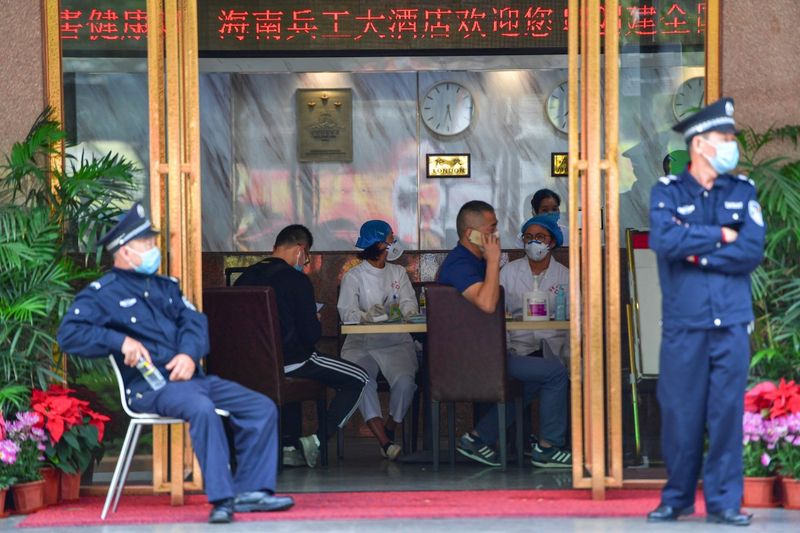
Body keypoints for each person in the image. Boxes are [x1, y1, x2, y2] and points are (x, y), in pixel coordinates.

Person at [56, 203, 294, 524]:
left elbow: (194, 323)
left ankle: (252, 492)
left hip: (193, 380)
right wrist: (119, 341)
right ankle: (222, 498)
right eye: (147, 244)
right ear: (125, 251)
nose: (154, 249)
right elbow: (69, 334)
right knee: (201, 408)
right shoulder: (103, 293)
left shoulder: (165, 287)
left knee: (260, 407)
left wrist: (188, 354)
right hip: (150, 387)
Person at [646, 98, 765, 526]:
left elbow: (751, 251)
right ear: (699, 144)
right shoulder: (667, 192)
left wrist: (696, 251)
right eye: (724, 137)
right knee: (680, 414)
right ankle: (677, 498)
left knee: (726, 414)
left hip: (731, 323)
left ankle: (724, 503)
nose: (732, 144)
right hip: (685, 325)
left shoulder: (742, 191)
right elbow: (664, 241)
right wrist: (721, 235)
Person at [438, 200, 571, 468]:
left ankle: (477, 439)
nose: (496, 235)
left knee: (532, 380)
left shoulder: (474, 262)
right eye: (491, 229)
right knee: (555, 372)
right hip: (471, 359)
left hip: (486, 352)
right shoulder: (460, 264)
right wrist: (493, 260)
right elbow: (487, 303)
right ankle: (549, 447)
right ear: (471, 234)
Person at [233, 224, 369, 468]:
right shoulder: (297, 280)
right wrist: (314, 320)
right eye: (306, 257)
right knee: (359, 378)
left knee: (293, 379)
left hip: (248, 367)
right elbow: (309, 336)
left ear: (275, 248)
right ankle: (316, 441)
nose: (305, 262)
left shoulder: (244, 278)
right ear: (300, 250)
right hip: (290, 361)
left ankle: (288, 446)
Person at [337, 220, 418, 460]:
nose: (395, 242)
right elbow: (346, 313)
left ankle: (390, 427)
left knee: (405, 382)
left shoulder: (398, 272)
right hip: (361, 343)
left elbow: (409, 304)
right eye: (391, 238)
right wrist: (365, 316)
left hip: (396, 341)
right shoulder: (354, 276)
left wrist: (404, 312)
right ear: (380, 244)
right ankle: (385, 442)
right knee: (362, 381)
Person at [501, 215, 569, 364]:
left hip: (555, 353)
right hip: (518, 351)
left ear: (552, 242)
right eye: (528, 237)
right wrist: (505, 354)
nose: (533, 242)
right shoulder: (508, 272)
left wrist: (569, 359)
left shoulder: (565, 275)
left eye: (540, 237)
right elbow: (497, 316)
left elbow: (577, 318)